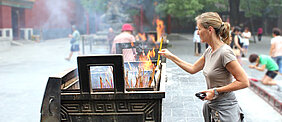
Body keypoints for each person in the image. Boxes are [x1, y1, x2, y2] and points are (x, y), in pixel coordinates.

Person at [159, 12, 249, 122]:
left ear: (210, 29)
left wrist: (215, 91)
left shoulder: (225, 52)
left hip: (226, 111)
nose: (197, 32)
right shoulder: (209, 50)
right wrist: (170, 56)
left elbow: (244, 81)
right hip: (213, 108)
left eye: (199, 29)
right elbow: (192, 68)